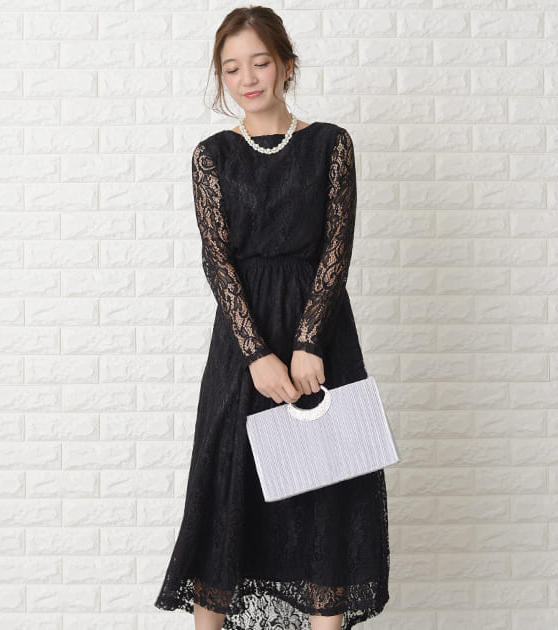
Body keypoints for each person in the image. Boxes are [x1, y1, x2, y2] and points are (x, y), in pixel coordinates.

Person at [154, 6, 390, 630]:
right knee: (226, 491)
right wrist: (257, 354)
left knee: (327, 491)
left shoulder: (330, 143)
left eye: (259, 63)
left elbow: (337, 247)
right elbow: (217, 259)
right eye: (232, 68)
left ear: (286, 64)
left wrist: (309, 341)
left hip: (322, 333)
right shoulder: (212, 155)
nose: (247, 78)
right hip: (242, 342)